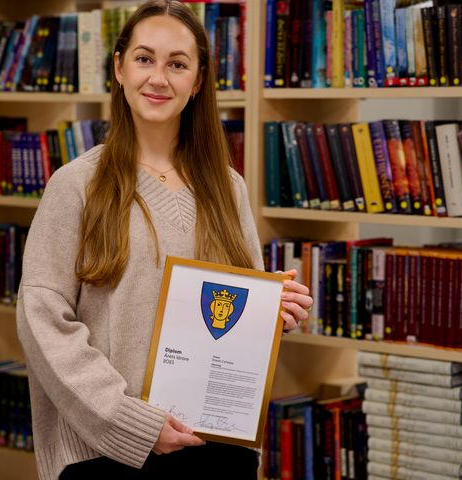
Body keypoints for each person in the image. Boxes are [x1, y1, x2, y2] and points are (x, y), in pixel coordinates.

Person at [16, 1, 313, 478]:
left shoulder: (227, 187)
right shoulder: (76, 186)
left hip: (217, 448)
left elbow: (234, 316)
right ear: (118, 68)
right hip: (110, 453)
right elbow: (42, 321)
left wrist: (276, 310)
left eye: (177, 64)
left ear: (197, 82)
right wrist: (131, 422)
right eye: (144, 58)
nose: (159, 77)